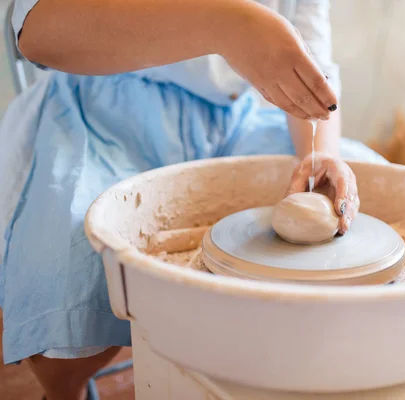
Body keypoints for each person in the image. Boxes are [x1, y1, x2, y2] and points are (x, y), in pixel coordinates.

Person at [0, 1, 385, 399]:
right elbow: (36, 31)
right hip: (100, 107)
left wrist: (319, 157)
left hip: (233, 116)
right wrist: (225, 24)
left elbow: (311, 66)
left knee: (369, 195)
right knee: (71, 268)